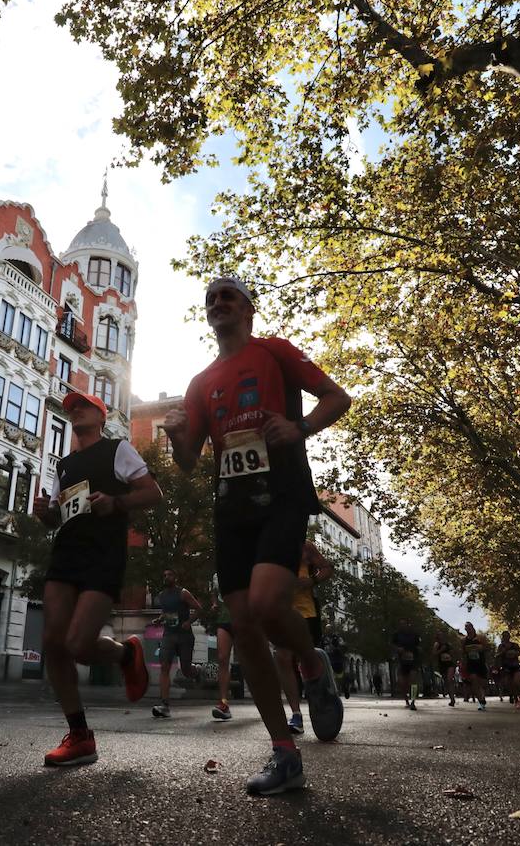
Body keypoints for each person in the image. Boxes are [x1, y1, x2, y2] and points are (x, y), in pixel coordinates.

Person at [163, 275, 351, 796]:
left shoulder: (275, 352)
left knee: (269, 606)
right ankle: (284, 754)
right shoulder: (201, 381)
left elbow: (338, 398)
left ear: (248, 308)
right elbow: (187, 463)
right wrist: (180, 440)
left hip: (284, 491)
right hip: (232, 507)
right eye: (210, 299)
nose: (217, 303)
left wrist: (300, 428)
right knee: (244, 627)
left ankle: (313, 665)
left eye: (228, 295)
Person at [33, 391, 162, 766]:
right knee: (53, 644)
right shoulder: (65, 465)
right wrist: (46, 513)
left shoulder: (118, 450)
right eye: (71, 409)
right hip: (67, 552)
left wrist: (117, 502)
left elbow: (154, 493)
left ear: (101, 416)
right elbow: (58, 516)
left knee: (77, 644)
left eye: (83, 407)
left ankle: (126, 652)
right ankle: (79, 735)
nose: (74, 412)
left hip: (103, 554)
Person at [273, 540, 333, 734]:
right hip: (280, 610)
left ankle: (322, 696)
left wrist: (311, 580)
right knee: (282, 658)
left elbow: (326, 568)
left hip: (306, 612)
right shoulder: (266, 544)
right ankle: (296, 714)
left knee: (305, 660)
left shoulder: (304, 545)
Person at [150, 568, 203, 718]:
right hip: (168, 635)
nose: (166, 577)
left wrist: (189, 621)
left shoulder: (183, 593)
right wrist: (159, 620)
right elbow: (166, 613)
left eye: (170, 575)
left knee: (186, 670)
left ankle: (196, 671)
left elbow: (199, 609)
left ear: (176, 577)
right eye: (164, 575)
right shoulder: (162, 595)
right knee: (165, 667)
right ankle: (164, 705)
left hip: (184, 636)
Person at [211, 592, 236, 721]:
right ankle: (224, 703)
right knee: (222, 658)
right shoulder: (216, 576)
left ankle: (263, 699)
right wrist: (214, 604)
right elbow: (214, 592)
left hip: (243, 618)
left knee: (249, 661)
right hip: (224, 620)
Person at [392, 619, 422, 710]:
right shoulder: (397, 635)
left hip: (413, 660)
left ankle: (412, 701)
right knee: (402, 683)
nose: (403, 626)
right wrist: (397, 649)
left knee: (412, 681)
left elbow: (419, 645)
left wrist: (418, 649)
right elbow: (392, 644)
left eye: (404, 624)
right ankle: (406, 701)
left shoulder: (414, 635)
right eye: (401, 624)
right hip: (402, 661)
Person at [460, 622, 489, 711]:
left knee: (482, 683)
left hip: (481, 663)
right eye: (466, 628)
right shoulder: (464, 640)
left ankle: (482, 698)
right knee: (473, 680)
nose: (468, 629)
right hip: (471, 664)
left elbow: (486, 648)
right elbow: (463, 652)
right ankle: (480, 701)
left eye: (469, 627)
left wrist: (480, 648)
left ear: (473, 628)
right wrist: (463, 663)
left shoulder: (480, 638)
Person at [498, 631, 520, 706]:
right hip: (506, 666)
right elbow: (497, 655)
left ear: (509, 636)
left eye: (507, 635)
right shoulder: (501, 646)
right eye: (504, 636)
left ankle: (517, 695)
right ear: (503, 637)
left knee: (516, 681)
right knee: (508, 682)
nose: (506, 637)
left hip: (515, 665)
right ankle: (512, 694)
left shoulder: (515, 645)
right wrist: (502, 652)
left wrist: (516, 653)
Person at [433, 632, 457, 707]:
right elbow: (434, 653)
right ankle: (451, 698)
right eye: (440, 635)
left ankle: (453, 699)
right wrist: (441, 650)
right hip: (442, 665)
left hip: (450, 664)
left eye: (442, 635)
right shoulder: (437, 644)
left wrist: (452, 653)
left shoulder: (448, 644)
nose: (441, 637)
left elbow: (453, 652)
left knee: (449, 680)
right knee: (446, 682)